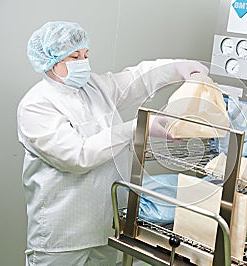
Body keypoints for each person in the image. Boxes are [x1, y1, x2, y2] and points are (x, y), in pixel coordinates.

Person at [17, 21, 208, 265]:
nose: (83, 62)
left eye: (85, 54)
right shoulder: (37, 105)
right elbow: (78, 157)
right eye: (74, 56)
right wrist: (136, 127)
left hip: (104, 225)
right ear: (50, 61)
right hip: (61, 234)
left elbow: (136, 79)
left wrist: (177, 67)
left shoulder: (94, 87)